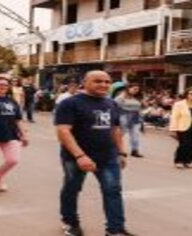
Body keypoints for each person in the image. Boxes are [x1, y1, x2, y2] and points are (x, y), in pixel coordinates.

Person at [55, 70, 135, 236]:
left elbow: (115, 129)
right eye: (98, 81)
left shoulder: (111, 103)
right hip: (75, 158)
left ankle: (115, 230)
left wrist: (121, 152)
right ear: (85, 82)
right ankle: (70, 222)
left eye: (107, 82)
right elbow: (63, 131)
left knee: (113, 190)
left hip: (108, 157)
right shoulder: (70, 103)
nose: (104, 85)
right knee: (72, 188)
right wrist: (80, 156)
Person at [115, 83, 144, 158]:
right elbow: (115, 107)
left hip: (136, 117)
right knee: (121, 134)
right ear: (128, 88)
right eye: (134, 89)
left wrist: (141, 120)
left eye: (137, 89)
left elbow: (140, 109)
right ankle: (118, 149)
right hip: (124, 116)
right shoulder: (120, 97)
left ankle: (135, 150)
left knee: (135, 135)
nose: (136, 91)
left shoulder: (137, 98)